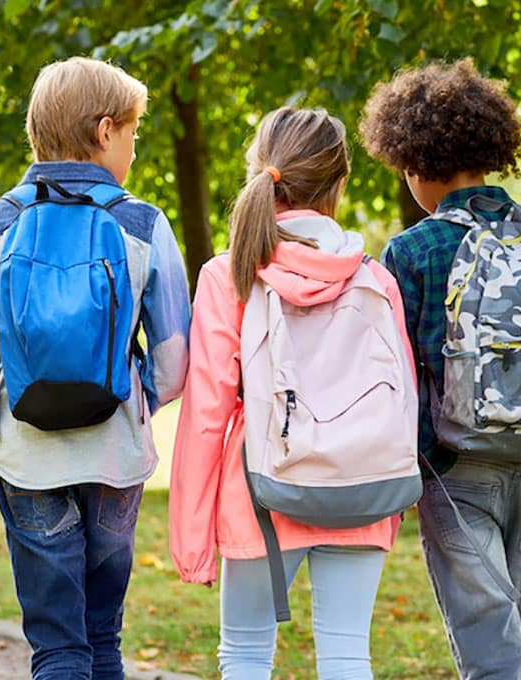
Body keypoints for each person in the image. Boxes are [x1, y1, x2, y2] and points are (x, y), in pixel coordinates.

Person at [0, 57, 190, 680]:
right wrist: (132, 404)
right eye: (133, 132)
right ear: (105, 131)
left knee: (57, 652)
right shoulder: (142, 224)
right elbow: (175, 365)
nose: (134, 146)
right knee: (103, 640)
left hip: (28, 464)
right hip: (114, 461)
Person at [168, 106, 416, 680]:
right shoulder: (376, 280)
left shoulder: (227, 276)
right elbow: (402, 399)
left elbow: (207, 413)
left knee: (246, 658)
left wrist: (191, 536)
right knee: (349, 656)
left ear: (260, 173)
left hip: (260, 493)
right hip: (360, 487)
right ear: (339, 183)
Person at [359, 58, 521, 679]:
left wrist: (414, 463)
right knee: (508, 615)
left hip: (458, 464)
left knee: (488, 626)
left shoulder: (412, 250)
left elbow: (398, 372)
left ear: (413, 162)